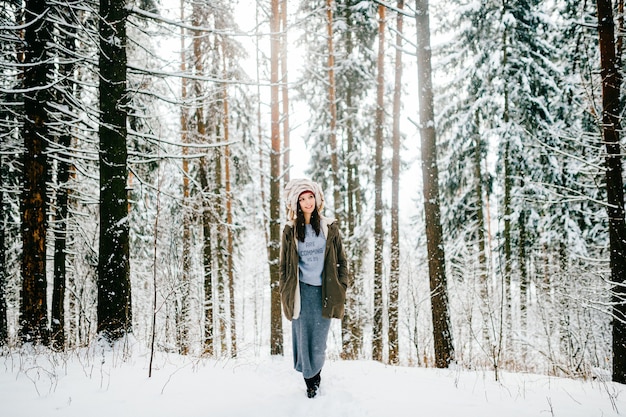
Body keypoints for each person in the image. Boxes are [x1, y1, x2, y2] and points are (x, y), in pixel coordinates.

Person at [279, 178, 349, 398]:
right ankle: (311, 382)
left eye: (310, 197)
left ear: (317, 199)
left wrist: (342, 284)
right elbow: (283, 266)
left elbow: (342, 260)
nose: (307, 202)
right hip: (301, 292)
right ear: (296, 203)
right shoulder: (290, 231)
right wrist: (285, 290)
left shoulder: (330, 228)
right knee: (303, 338)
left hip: (325, 292)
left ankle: (315, 374)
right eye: (302, 199)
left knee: (319, 341)